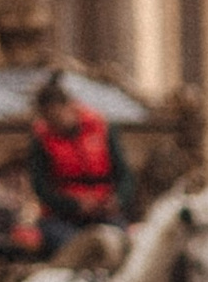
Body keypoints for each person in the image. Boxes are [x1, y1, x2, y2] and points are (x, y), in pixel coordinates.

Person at [26, 73, 133, 253]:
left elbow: (125, 175)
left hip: (104, 213)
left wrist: (118, 200)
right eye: (50, 120)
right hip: (61, 218)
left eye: (58, 116)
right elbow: (41, 188)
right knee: (74, 249)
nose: (56, 124)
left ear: (70, 107)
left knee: (120, 245)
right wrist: (74, 205)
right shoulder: (41, 139)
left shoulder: (102, 129)